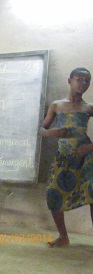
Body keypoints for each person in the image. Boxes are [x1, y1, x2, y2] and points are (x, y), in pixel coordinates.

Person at [40, 67, 93, 248]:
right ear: (69, 80)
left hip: (86, 158)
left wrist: (89, 147)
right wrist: (50, 133)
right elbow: (41, 129)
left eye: (87, 81)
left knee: (92, 195)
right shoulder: (56, 105)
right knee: (53, 194)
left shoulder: (89, 108)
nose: (83, 84)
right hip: (63, 157)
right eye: (79, 79)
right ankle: (63, 236)